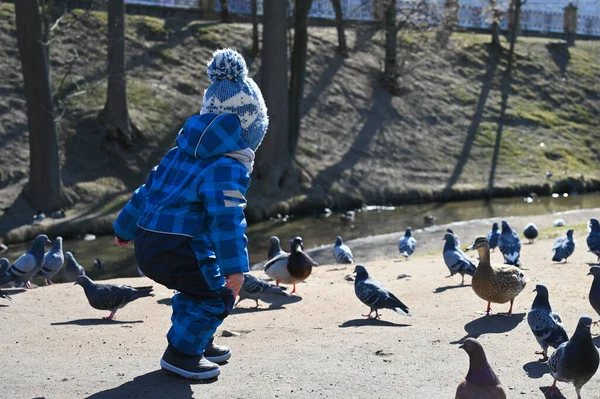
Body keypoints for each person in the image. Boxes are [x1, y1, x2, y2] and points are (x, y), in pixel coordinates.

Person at [113, 48, 268, 380]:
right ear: (249, 131)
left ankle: (197, 340)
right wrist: (236, 269)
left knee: (196, 286)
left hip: (148, 242)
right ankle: (182, 354)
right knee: (217, 293)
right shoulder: (227, 165)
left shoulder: (177, 153)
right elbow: (226, 218)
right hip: (178, 246)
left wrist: (124, 228)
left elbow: (147, 190)